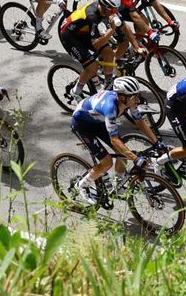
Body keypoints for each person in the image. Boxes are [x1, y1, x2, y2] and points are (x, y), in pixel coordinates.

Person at [68, 76, 159, 206]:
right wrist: (136, 159)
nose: (138, 99)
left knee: (123, 151)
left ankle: (119, 182)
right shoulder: (110, 108)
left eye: (137, 94)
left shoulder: (129, 102)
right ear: (122, 97)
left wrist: (156, 142)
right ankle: (81, 185)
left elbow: (140, 122)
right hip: (81, 124)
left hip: (98, 120)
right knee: (107, 162)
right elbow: (114, 139)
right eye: (134, 96)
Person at [58, 0, 128, 98]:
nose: (115, 12)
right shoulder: (92, 16)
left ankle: (108, 84)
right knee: (92, 67)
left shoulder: (103, 10)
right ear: (105, 7)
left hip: (83, 32)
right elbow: (96, 44)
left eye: (116, 9)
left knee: (109, 53)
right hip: (70, 37)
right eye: (113, 9)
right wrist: (111, 30)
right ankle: (75, 92)